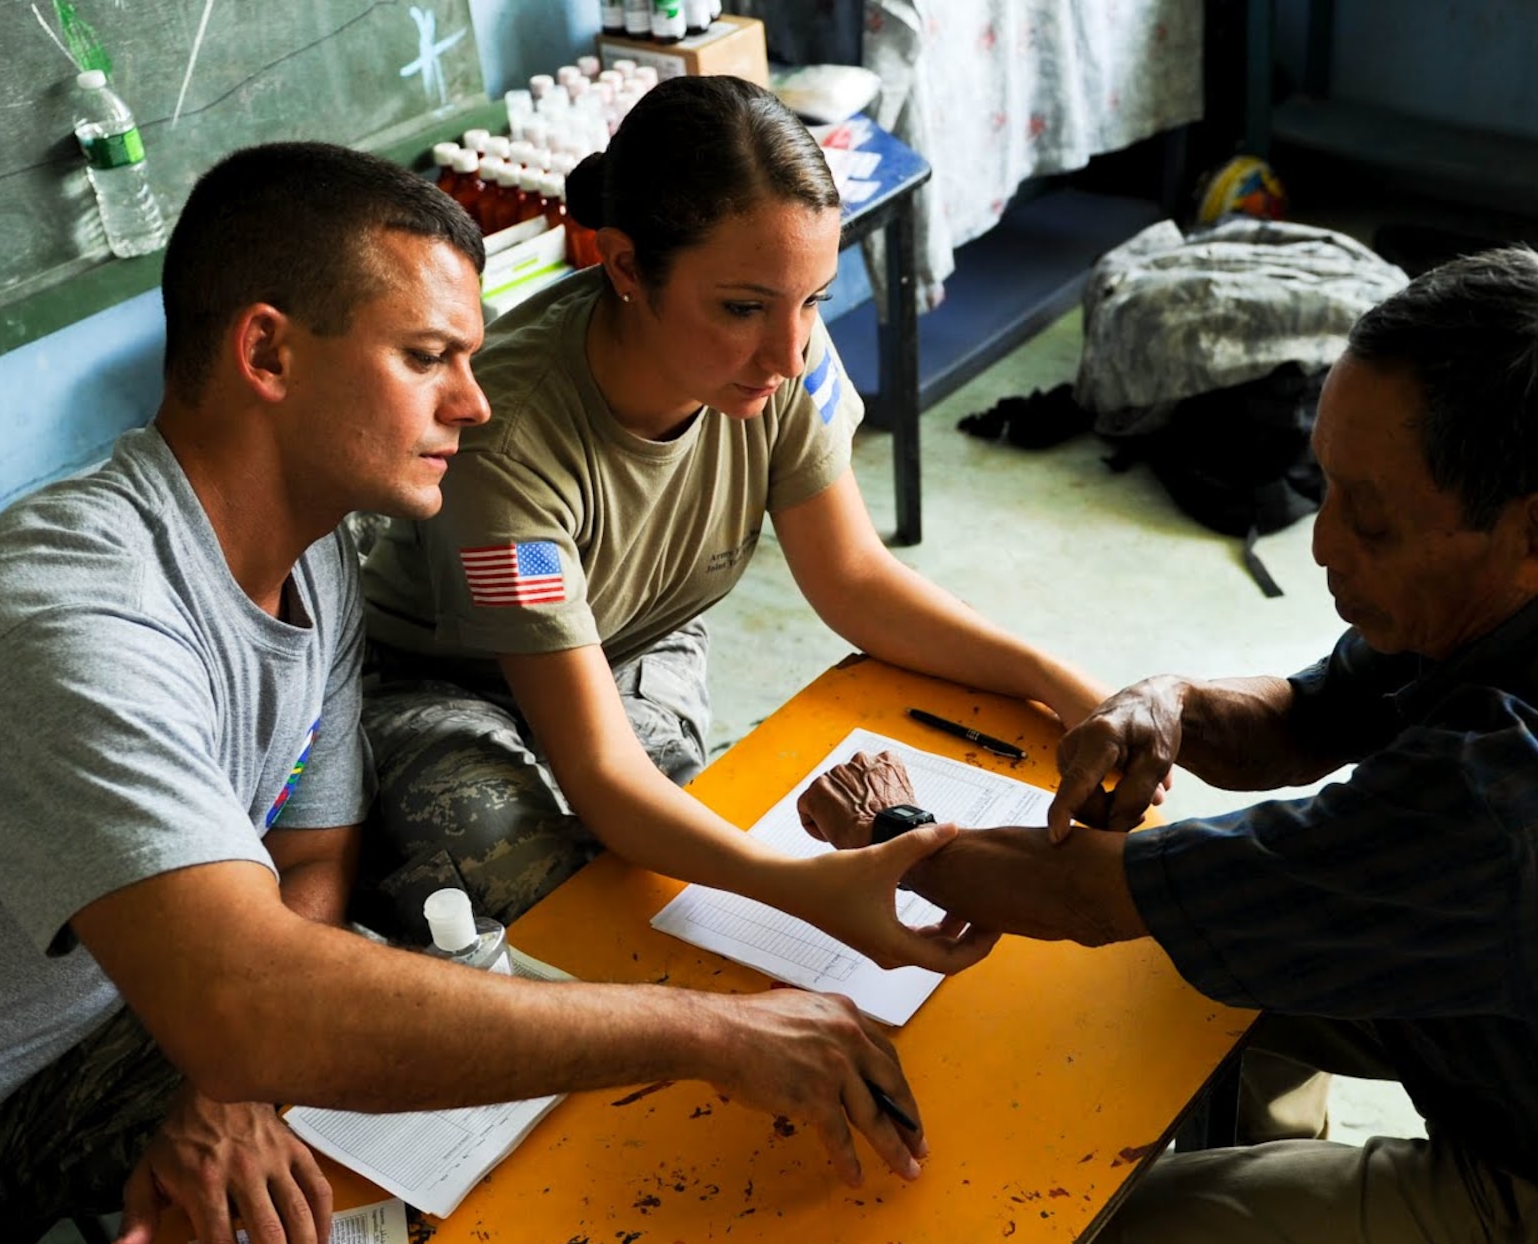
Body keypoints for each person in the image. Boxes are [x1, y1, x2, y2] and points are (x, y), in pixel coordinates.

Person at [0, 142, 950, 1244]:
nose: (474, 400)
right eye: (427, 360)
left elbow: (309, 860)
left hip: (107, 1019)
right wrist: (713, 1032)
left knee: (473, 1184)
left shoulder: (312, 549)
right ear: (267, 352)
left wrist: (230, 1079)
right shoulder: (69, 622)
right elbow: (249, 996)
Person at [797, 248, 1538, 1244]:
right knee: (1205, 963)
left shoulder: (1513, 792)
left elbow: (1087, 897)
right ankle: (1278, 1176)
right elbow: (1308, 719)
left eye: (1371, 518)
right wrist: (1166, 700)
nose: (1319, 543)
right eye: (1326, 487)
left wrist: (891, 825)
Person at [358, 74, 1103, 968]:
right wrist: (804, 893)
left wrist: (1065, 685)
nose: (789, 351)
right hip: (444, 679)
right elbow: (598, 770)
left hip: (635, 643)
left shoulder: (777, 356)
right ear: (626, 266)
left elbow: (856, 582)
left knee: (682, 859)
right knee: (542, 884)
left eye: (814, 300)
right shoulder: (509, 440)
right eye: (743, 307)